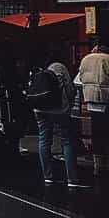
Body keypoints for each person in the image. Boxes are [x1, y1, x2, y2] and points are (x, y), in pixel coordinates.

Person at [28, 52, 87, 189]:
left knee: (44, 140)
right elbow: (70, 89)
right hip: (58, 109)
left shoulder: (40, 69)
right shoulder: (59, 67)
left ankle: (48, 177)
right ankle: (72, 179)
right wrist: (71, 102)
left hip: (39, 109)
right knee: (67, 140)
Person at [78, 42, 109, 176]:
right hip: (105, 99)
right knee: (108, 131)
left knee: (96, 131)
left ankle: (97, 164)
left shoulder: (85, 59)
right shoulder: (108, 59)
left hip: (90, 99)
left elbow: (80, 77)